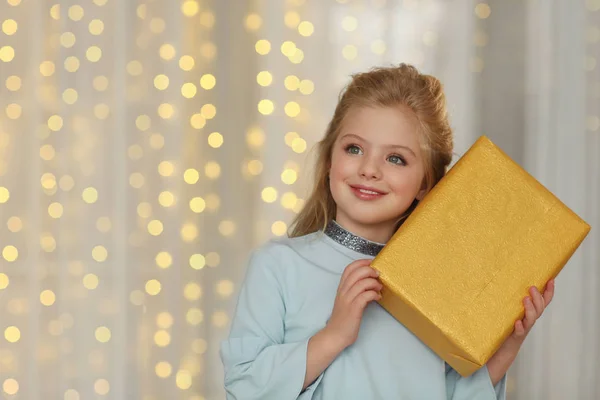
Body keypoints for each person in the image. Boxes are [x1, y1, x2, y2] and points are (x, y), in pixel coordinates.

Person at [219, 64, 555, 399]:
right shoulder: (277, 266)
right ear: (329, 161)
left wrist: (507, 345)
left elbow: (450, 393)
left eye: (396, 159)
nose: (369, 170)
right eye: (354, 149)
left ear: (426, 184)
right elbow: (245, 387)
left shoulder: (440, 282)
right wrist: (335, 334)